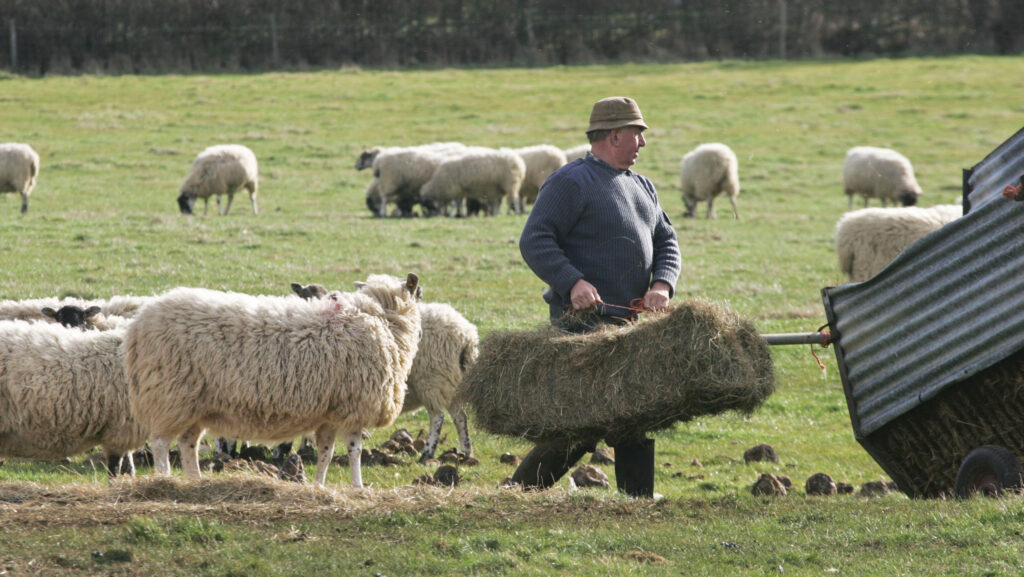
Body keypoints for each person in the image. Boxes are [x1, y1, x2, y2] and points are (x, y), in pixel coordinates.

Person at [513, 96, 682, 498]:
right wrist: (572, 282)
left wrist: (661, 284)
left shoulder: (643, 186)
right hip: (581, 325)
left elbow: (667, 240)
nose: (643, 144)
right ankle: (519, 490)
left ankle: (636, 496)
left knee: (632, 410)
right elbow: (535, 240)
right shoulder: (569, 182)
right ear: (614, 135)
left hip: (629, 323)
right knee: (581, 419)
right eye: (637, 135)